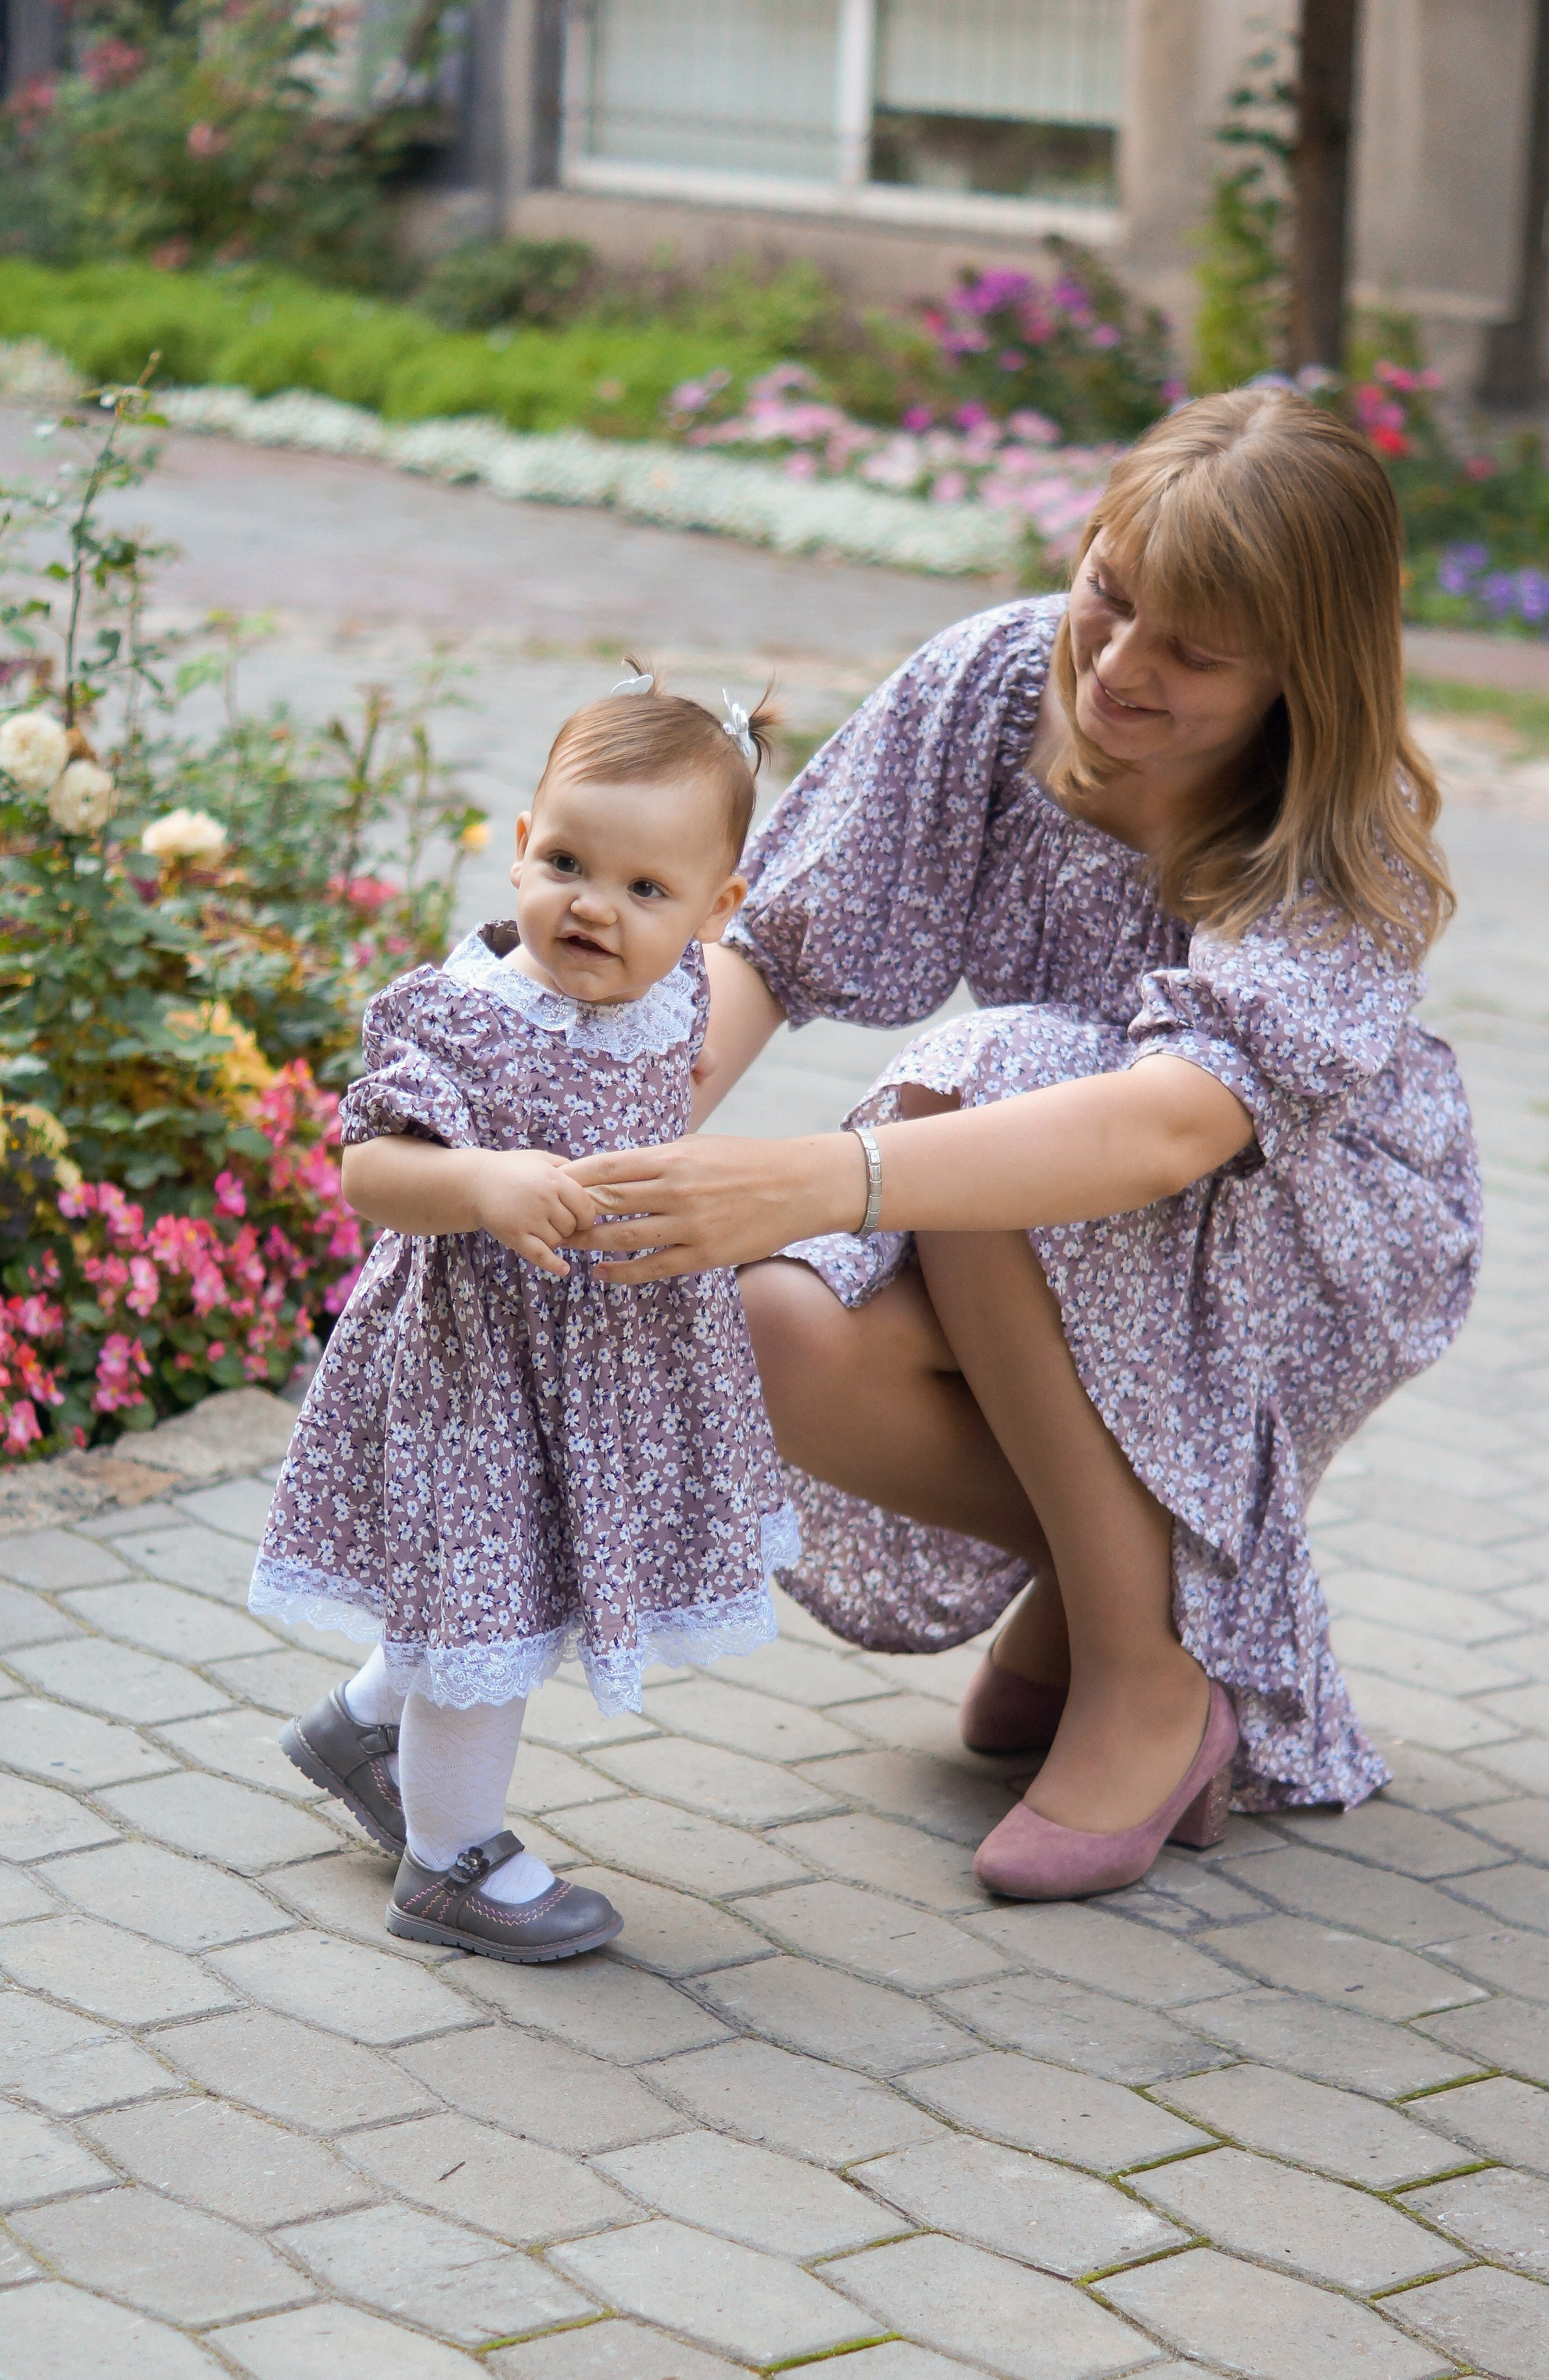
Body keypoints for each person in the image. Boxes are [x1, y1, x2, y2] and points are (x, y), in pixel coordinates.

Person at [560, 388, 1482, 1902]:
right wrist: (584, 1161)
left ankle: (1142, 1667)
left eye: (1191, 651)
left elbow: (1177, 1120)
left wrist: (814, 1174)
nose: (1117, 666)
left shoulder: (1339, 819)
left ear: (1296, 670)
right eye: (1108, 594)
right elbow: (772, 947)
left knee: (977, 1085)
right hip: (1040, 1197)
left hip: (1316, 1230)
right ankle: (1130, 1587)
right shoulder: (992, 681)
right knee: (774, 1320)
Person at [252, 669, 797, 1961]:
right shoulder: (465, 1016)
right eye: (565, 860)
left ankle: (360, 1726)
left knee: (516, 1589)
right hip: (475, 1365)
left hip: (614, 1365)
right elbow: (369, 1169)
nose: (593, 906)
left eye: (646, 889)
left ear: (715, 912)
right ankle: (447, 1858)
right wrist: (482, 1181)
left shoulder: (683, 997)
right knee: (480, 1608)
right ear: (517, 849)